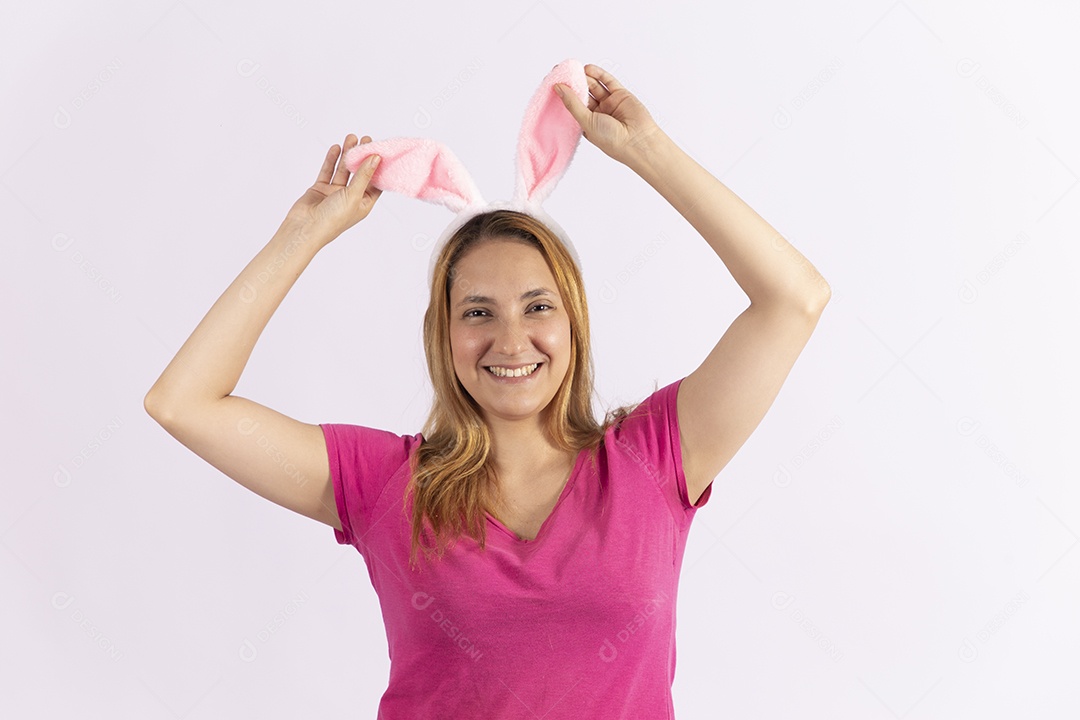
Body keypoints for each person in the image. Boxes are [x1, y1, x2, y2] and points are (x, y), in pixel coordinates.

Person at [145, 64, 830, 718]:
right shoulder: (383, 482)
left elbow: (794, 299)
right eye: (478, 312)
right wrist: (303, 234)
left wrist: (648, 150)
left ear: (573, 324)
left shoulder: (656, 457)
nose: (510, 341)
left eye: (538, 307)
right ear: (442, 334)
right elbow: (184, 402)